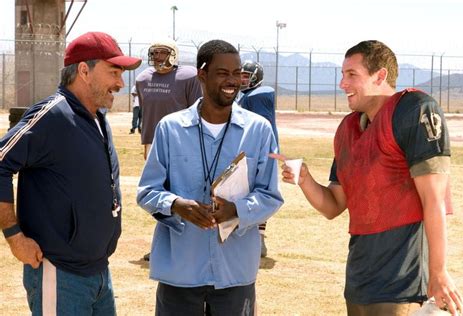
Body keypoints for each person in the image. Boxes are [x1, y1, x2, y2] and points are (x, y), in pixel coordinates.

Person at [271, 40, 463, 316]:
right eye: (342, 75)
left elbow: (433, 199)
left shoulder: (414, 109)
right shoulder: (349, 129)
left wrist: (439, 272)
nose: (342, 84)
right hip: (359, 278)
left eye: (352, 75)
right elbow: (333, 205)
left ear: (380, 76)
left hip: (402, 280)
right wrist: (305, 180)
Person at [137, 39, 283, 315]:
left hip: (235, 272)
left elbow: (270, 196)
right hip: (180, 271)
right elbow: (147, 192)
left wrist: (237, 210)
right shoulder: (170, 128)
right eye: (222, 73)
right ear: (202, 75)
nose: (232, 80)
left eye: (237, 72)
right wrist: (177, 205)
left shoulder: (259, 131)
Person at [0, 31, 141, 315]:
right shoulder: (52, 115)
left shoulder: (98, 117)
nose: (120, 83)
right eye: (114, 71)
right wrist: (15, 236)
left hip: (99, 273)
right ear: (84, 70)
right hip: (60, 274)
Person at [135, 38, 202, 159]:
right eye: (155, 52)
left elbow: (197, 111)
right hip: (152, 139)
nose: (158, 56)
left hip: (181, 139)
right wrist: (146, 143)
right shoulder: (143, 79)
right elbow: (145, 113)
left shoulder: (189, 76)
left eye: (163, 52)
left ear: (173, 54)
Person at [238, 60, 279, 258]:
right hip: (255, 150)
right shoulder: (245, 96)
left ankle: (259, 237)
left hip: (261, 152)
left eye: (246, 76)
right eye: (241, 75)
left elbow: (261, 129)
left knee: (259, 192)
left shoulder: (259, 95)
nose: (242, 79)